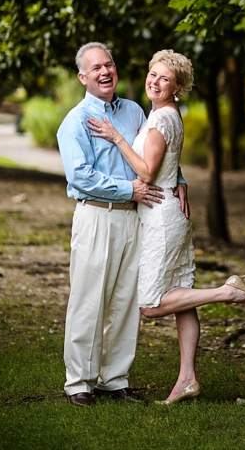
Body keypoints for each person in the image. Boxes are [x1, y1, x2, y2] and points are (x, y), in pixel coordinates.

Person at [87, 49, 245, 404]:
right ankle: (187, 380)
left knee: (151, 305)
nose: (155, 81)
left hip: (160, 218)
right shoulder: (165, 114)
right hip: (170, 208)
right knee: (183, 298)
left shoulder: (160, 120)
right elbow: (167, 166)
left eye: (164, 78)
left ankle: (229, 292)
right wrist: (179, 180)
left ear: (177, 86)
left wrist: (116, 137)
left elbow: (147, 172)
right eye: (153, 73)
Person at [57, 42, 181, 406]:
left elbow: (155, 155)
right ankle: (79, 380)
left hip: (133, 218)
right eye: (95, 68)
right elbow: (80, 176)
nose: (105, 72)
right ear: (83, 77)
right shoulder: (75, 121)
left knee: (125, 300)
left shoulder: (133, 111)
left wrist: (181, 181)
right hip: (96, 215)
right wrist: (129, 188)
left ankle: (115, 377)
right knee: (88, 299)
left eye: (108, 64)